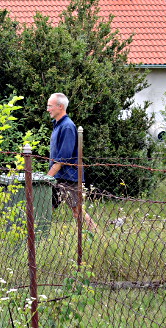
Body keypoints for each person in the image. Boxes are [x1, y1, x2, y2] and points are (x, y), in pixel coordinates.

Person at [46, 93, 97, 231]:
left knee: (77, 210)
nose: (48, 109)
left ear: (60, 106)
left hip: (68, 177)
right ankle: (37, 236)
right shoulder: (58, 125)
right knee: (45, 207)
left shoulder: (67, 126)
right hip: (58, 177)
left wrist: (47, 178)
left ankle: (98, 235)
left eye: (50, 106)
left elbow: (64, 158)